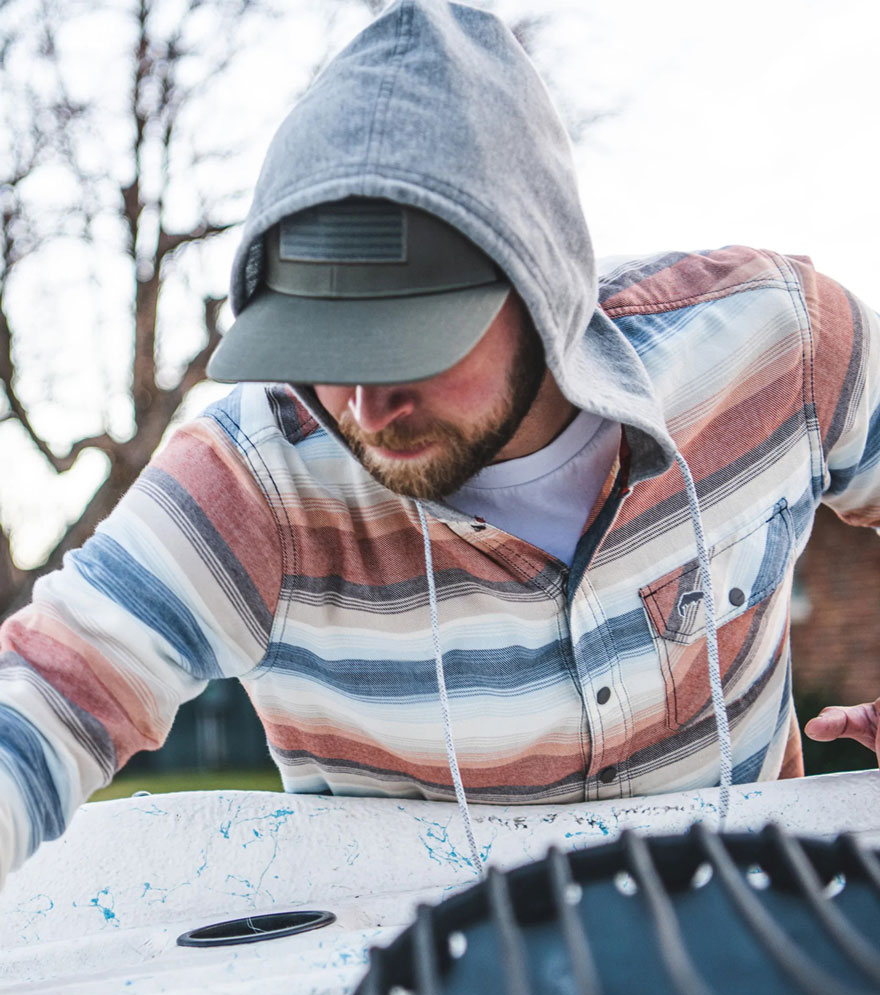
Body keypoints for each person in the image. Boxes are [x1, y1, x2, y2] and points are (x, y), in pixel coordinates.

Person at [0, 0, 878, 886]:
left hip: (758, 945)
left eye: (410, 348)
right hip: (426, 986)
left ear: (542, 280)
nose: (366, 407)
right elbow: (45, 698)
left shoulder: (777, 346)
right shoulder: (257, 480)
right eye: (323, 353)